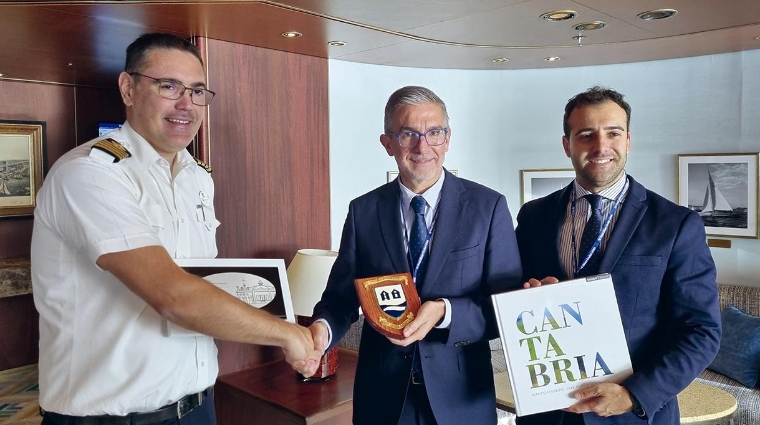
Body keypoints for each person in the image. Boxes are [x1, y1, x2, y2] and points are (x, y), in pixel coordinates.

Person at [31, 33, 319, 425]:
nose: (187, 104)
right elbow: (174, 296)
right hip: (111, 418)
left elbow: (203, 281)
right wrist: (287, 334)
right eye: (169, 86)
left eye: (198, 91)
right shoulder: (90, 175)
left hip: (196, 407)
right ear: (128, 88)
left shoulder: (196, 178)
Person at [307, 86, 523, 425]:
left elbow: (507, 308)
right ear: (388, 143)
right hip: (384, 400)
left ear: (448, 138)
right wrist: (321, 330)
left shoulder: (488, 207)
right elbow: (341, 298)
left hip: (461, 401)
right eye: (408, 134)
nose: (423, 147)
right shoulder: (363, 210)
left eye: (434, 132)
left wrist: (445, 312)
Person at [514, 86, 721, 425]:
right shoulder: (534, 216)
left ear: (628, 140)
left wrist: (635, 395)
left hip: (634, 414)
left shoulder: (676, 224)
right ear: (567, 145)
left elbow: (701, 330)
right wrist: (529, 292)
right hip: (548, 413)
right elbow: (513, 295)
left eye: (613, 133)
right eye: (586, 135)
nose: (600, 146)